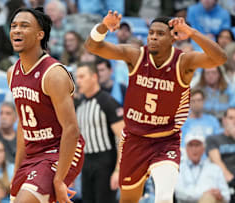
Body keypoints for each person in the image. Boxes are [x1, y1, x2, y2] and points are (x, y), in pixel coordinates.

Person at [85, 11, 227, 203]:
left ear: (172, 38)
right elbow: (92, 46)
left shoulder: (183, 62)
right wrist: (103, 26)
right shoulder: (135, 56)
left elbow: (220, 58)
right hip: (134, 140)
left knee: (164, 197)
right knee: (128, 200)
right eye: (151, 32)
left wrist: (192, 32)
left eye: (160, 34)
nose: (153, 36)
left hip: (165, 140)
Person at [7, 7, 85, 203]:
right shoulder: (12, 72)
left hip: (59, 150)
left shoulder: (54, 74)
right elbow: (23, 126)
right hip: (33, 152)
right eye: (14, 26)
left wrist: (59, 179)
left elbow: (71, 129)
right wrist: (17, 170)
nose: (16, 30)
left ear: (40, 34)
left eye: (24, 26)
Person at [75, 62, 124, 203]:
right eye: (77, 77)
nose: (78, 81)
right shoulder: (80, 105)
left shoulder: (107, 102)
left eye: (82, 77)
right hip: (86, 163)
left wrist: (118, 170)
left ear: (94, 77)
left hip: (105, 163)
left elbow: (123, 138)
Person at [175, 134, 230, 203]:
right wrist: (206, 194)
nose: (194, 149)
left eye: (197, 145)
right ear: (186, 149)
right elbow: (179, 193)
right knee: (208, 197)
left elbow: (226, 195)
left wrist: (219, 195)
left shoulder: (215, 168)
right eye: (191, 145)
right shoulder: (178, 168)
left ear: (203, 149)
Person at [206, 107, 235, 202]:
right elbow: (217, 162)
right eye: (231, 118)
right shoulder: (213, 139)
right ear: (224, 120)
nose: (234, 121)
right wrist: (232, 180)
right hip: (224, 182)